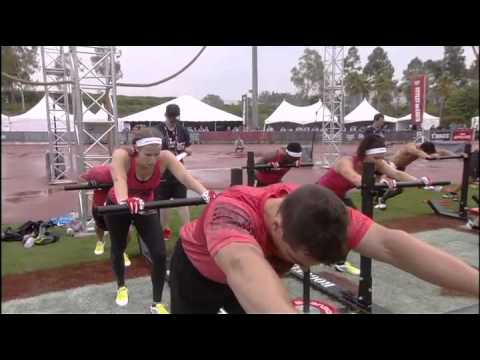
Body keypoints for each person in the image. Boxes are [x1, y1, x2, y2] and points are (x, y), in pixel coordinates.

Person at [169, 183, 479, 313]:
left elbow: (392, 245)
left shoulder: (321, 210)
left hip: (252, 275)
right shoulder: (232, 211)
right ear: (276, 226)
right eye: (298, 259)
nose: (303, 270)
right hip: (198, 274)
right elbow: (244, 267)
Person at [104, 126, 213, 314]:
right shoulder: (122, 155)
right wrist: (125, 200)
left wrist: (205, 192)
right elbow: (119, 179)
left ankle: (156, 303)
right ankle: (121, 286)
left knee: (160, 254)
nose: (153, 160)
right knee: (118, 247)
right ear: (136, 149)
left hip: (145, 206)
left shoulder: (165, 157)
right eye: (148, 155)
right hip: (119, 205)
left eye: (156, 154)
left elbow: (185, 177)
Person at [315, 135, 433, 274]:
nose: (380, 161)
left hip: (340, 196)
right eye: (376, 158)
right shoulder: (346, 161)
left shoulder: (378, 162)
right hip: (321, 194)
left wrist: (419, 182)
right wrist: (379, 183)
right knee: (333, 226)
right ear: (365, 154)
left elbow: (396, 173)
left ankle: (339, 262)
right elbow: (356, 179)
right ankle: (317, 252)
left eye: (381, 157)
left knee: (353, 226)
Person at [154, 104, 193, 241]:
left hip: (178, 168)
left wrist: (187, 151)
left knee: (182, 200)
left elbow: (188, 147)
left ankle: (187, 229)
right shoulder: (158, 130)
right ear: (166, 115)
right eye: (170, 116)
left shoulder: (182, 130)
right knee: (163, 201)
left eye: (175, 117)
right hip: (163, 170)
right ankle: (165, 229)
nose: (172, 119)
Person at [80, 165, 131, 266]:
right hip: (99, 204)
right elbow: (79, 178)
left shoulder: (122, 173)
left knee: (126, 230)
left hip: (117, 203)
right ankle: (100, 241)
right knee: (99, 225)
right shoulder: (96, 173)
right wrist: (89, 182)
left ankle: (122, 250)